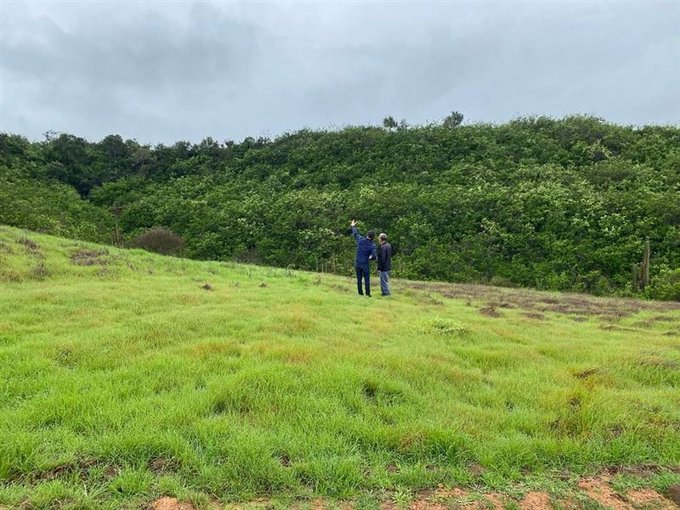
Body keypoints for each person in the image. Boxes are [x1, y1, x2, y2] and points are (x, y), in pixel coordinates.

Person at [350, 220, 376, 297]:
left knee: (359, 279)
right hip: (365, 263)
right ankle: (367, 293)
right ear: (373, 237)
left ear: (367, 235)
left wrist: (353, 226)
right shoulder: (372, 245)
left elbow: (355, 234)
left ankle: (360, 293)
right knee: (367, 279)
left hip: (358, 263)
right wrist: (370, 258)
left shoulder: (360, 239)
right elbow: (373, 256)